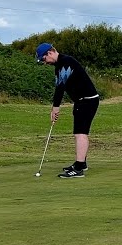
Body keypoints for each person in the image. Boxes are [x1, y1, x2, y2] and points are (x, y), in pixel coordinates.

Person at [36, 43, 100, 178]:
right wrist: (55, 107)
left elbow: (60, 87)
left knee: (80, 133)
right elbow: (60, 87)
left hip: (87, 100)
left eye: (44, 59)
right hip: (82, 101)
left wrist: (55, 108)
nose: (44, 62)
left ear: (50, 53)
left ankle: (78, 168)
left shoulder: (66, 62)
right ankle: (81, 164)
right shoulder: (59, 65)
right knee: (79, 132)